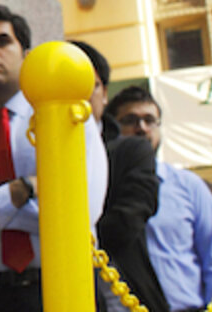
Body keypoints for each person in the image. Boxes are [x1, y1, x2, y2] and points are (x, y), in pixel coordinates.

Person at [0, 5, 108, 312]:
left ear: (26, 55)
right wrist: (23, 189)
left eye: (2, 41)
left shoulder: (68, 112)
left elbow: (84, 209)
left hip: (65, 283)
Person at [71, 41, 167, 312]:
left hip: (122, 292)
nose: (79, 95)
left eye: (89, 85)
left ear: (104, 94)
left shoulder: (131, 150)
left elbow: (128, 219)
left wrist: (66, 237)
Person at [109, 84, 212, 312]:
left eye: (149, 120)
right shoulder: (101, 190)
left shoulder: (189, 186)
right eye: (130, 120)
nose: (141, 128)